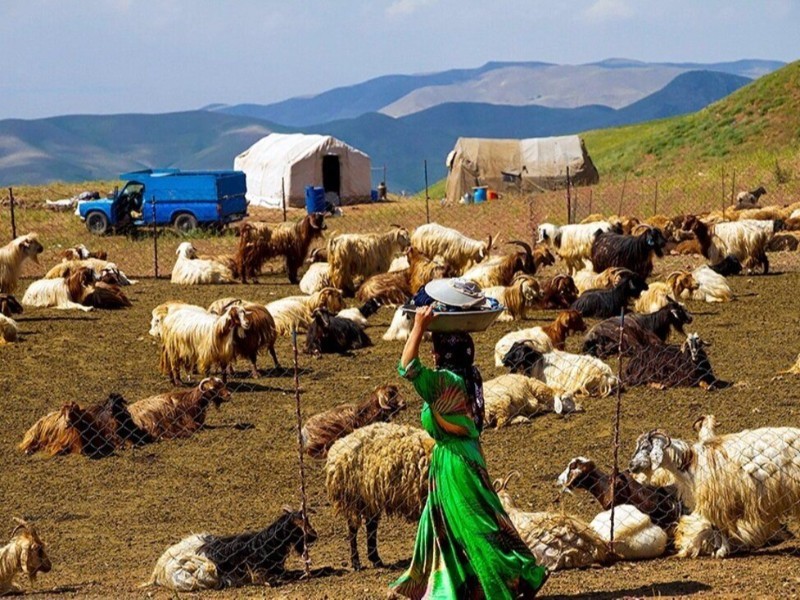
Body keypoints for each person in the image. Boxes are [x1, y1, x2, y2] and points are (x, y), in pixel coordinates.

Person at [390, 305, 547, 599]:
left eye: (436, 351)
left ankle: (511, 581)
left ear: (444, 355)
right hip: (469, 455)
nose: (433, 356)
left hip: (456, 464)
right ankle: (453, 586)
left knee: (474, 526)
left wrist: (419, 326)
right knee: (448, 522)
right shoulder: (471, 376)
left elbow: (407, 366)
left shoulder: (444, 383)